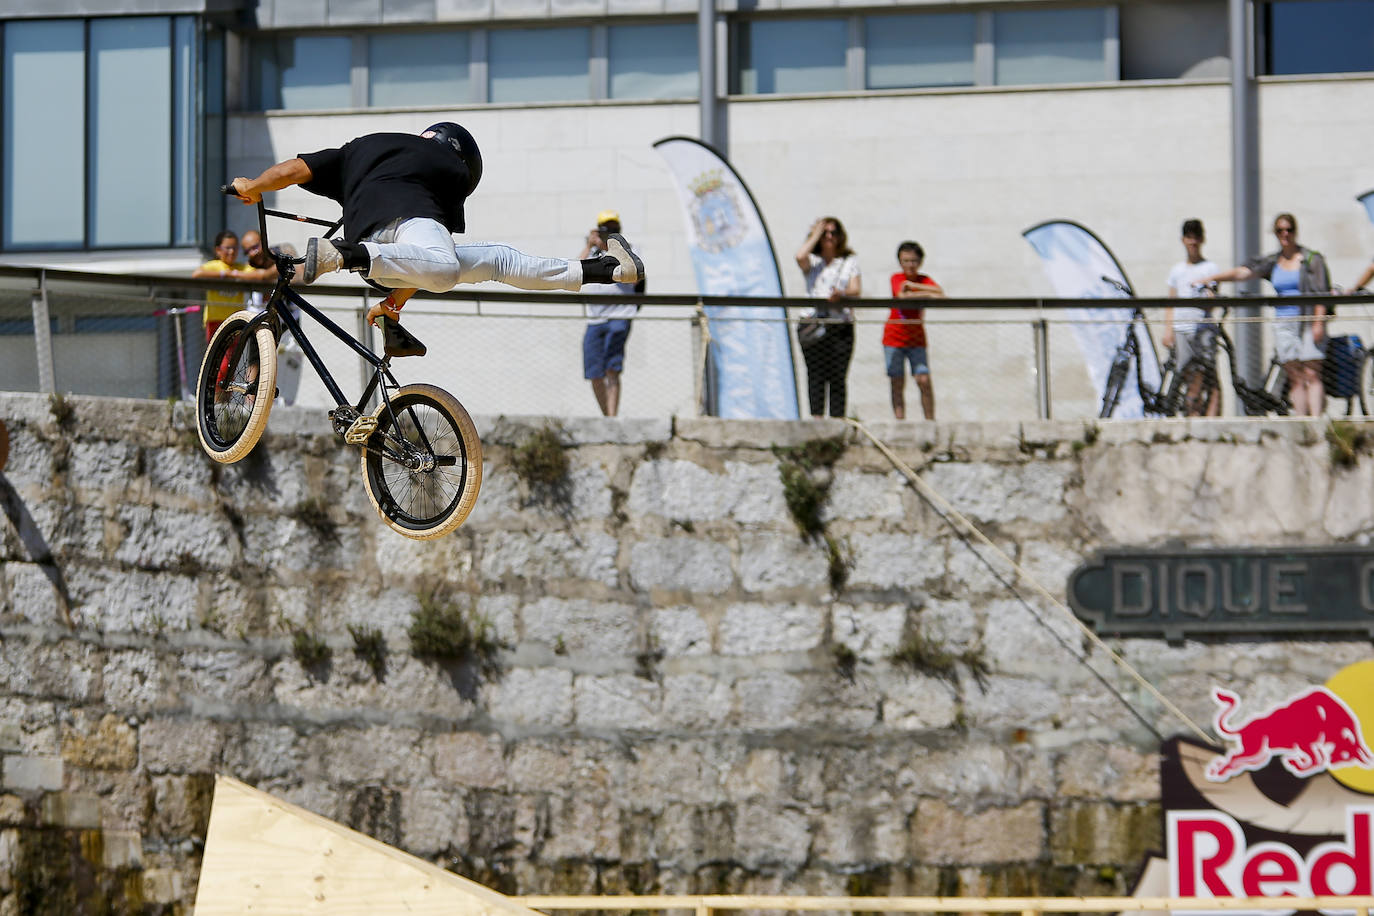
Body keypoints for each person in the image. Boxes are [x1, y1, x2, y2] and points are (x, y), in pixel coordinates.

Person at [227, 122, 642, 331]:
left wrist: (253, 184)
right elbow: (432, 246)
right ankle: (341, 256)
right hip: (393, 241)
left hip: (377, 251)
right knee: (446, 270)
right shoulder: (448, 165)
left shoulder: (360, 148)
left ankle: (606, 270)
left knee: (492, 260)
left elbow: (296, 169)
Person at [1201, 213, 1331, 416]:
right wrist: (1211, 278)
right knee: (1295, 375)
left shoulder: (1310, 259)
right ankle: (1302, 422)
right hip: (1284, 322)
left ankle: (1316, 421)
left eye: (1289, 229)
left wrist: (1318, 323)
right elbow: (1243, 272)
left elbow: (1322, 293)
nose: (1285, 234)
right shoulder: (1273, 261)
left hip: (1307, 319)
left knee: (1312, 373)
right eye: (1280, 230)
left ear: (1295, 231)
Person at [578, 210, 644, 417]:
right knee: (595, 373)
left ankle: (613, 416)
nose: (610, 233)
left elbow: (635, 279)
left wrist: (613, 250)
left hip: (620, 314)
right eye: (607, 230)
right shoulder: (593, 252)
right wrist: (590, 246)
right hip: (595, 318)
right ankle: (607, 416)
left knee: (612, 369)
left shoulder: (629, 251)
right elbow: (575, 273)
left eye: (614, 229)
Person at [795, 217, 860, 419]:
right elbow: (799, 256)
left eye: (833, 233)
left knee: (838, 375)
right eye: (825, 233)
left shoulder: (848, 261)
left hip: (839, 325)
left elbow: (856, 289)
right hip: (813, 323)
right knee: (815, 374)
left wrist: (841, 295)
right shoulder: (813, 262)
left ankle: (837, 419)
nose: (829, 237)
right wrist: (815, 233)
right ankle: (816, 419)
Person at [1163, 219, 1221, 416]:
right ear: (1183, 240)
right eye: (1189, 237)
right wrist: (1168, 331)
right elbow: (1170, 302)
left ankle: (1213, 417)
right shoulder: (1177, 271)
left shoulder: (1210, 268)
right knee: (1187, 376)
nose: (1193, 242)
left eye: (1196, 237)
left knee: (1209, 374)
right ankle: (1193, 415)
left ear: (1202, 239)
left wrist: (1209, 293)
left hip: (1203, 328)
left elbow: (1213, 301)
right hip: (1182, 328)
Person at [885, 241, 942, 420]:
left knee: (923, 380)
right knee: (897, 381)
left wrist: (914, 289)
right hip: (894, 337)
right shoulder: (896, 277)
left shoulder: (923, 280)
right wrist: (926, 293)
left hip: (916, 339)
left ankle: (930, 419)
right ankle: (900, 421)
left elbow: (940, 293)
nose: (910, 265)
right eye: (906, 261)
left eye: (914, 261)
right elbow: (901, 295)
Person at [191, 230, 257, 341]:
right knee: (219, 356)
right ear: (218, 250)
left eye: (235, 248)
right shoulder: (214, 266)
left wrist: (237, 274)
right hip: (215, 320)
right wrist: (224, 274)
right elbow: (196, 274)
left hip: (237, 320)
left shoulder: (241, 268)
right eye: (228, 248)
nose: (231, 252)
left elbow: (257, 275)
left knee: (234, 356)